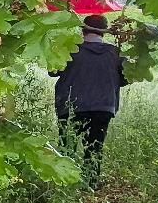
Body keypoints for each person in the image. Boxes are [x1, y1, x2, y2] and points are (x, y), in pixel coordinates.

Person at [54, 14, 126, 187]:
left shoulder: (70, 50)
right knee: (94, 147)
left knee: (67, 148)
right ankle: (91, 184)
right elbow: (125, 79)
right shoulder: (115, 53)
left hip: (71, 106)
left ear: (83, 29)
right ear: (104, 32)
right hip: (103, 107)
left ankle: (64, 184)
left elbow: (52, 70)